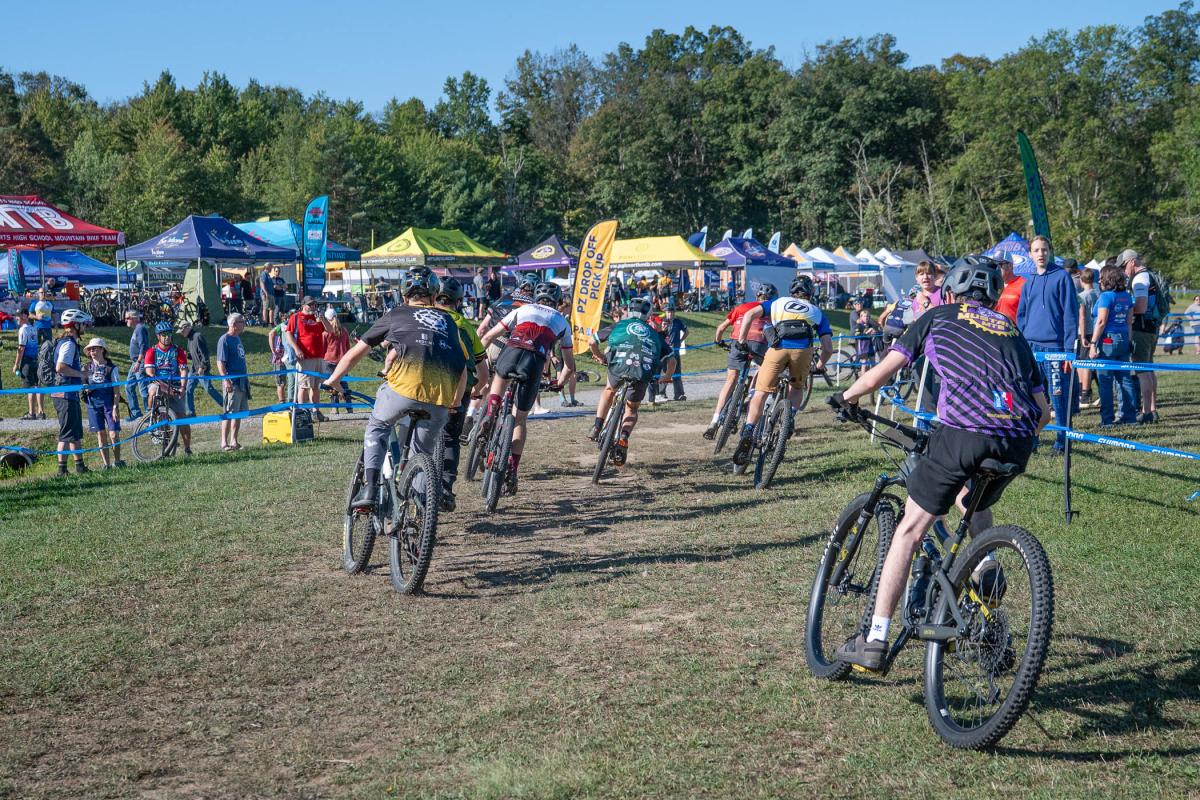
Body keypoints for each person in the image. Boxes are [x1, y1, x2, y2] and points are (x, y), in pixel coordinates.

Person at [832, 256, 1051, 670]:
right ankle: (986, 563)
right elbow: (1043, 413)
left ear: (949, 291)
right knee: (973, 497)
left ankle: (875, 639)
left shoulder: (937, 316)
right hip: (1017, 441)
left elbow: (881, 374)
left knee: (909, 531)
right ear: (991, 296)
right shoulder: (1012, 332)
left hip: (963, 431)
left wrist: (845, 398)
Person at [322, 271, 470, 510]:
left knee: (378, 426)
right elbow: (462, 368)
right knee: (423, 451)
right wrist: (454, 402)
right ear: (434, 296)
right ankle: (421, 513)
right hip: (440, 399)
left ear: (403, 295)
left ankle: (370, 488)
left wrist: (333, 380)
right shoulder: (449, 322)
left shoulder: (397, 314)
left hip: (402, 391)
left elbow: (357, 352)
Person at [478, 282, 576, 496]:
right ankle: (512, 468)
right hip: (534, 363)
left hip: (511, 352)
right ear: (558, 302)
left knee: (500, 379)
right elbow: (569, 365)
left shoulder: (522, 309)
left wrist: (475, 360)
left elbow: (487, 336)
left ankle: (491, 410)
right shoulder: (562, 322)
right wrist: (558, 384)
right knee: (520, 419)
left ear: (535, 297)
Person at [731, 276, 833, 466]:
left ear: (791, 291)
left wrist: (742, 340)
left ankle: (748, 431)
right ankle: (790, 417)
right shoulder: (817, 312)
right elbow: (828, 348)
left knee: (760, 393)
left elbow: (749, 315)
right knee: (796, 388)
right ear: (811, 293)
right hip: (802, 353)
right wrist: (819, 366)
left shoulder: (778, 302)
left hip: (778, 349)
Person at [587, 299, 675, 466]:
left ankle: (597, 426)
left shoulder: (619, 325)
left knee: (609, 390)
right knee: (632, 408)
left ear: (628, 311)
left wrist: (599, 355)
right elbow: (672, 361)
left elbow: (592, 341)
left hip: (619, 365)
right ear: (648, 316)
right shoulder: (654, 333)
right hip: (642, 370)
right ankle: (624, 437)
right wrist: (666, 377)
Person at [1016, 236, 1079, 452]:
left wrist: (1069, 351)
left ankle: (1063, 441)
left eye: (1044, 250)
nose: (1041, 254)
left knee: (1058, 398)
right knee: (1031, 398)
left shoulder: (1062, 277)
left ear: (1050, 251)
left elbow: (1071, 314)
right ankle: (1032, 439)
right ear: (1031, 254)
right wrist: (1020, 344)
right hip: (1032, 348)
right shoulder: (1028, 281)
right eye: (1036, 250)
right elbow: (1021, 316)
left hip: (1056, 349)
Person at [433, 277, 489, 511]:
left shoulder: (426, 319)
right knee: (450, 438)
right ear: (458, 302)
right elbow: (482, 369)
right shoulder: (465, 326)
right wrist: (477, 389)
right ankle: (446, 487)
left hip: (428, 385)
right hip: (460, 388)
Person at [704, 284, 774, 440]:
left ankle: (714, 421)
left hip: (737, 342)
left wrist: (719, 341)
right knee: (762, 369)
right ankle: (751, 394)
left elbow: (721, 328)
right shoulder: (771, 310)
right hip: (758, 343)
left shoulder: (741, 307)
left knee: (730, 381)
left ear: (757, 296)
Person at [1088, 266, 1138, 427]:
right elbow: (1129, 321)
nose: (1099, 281)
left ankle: (1107, 419)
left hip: (1107, 341)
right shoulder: (1127, 296)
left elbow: (1101, 322)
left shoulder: (1106, 297)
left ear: (1108, 279)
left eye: (1101, 278)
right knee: (1125, 379)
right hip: (1123, 339)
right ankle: (1129, 417)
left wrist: (1093, 343)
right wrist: (1129, 341)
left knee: (1105, 380)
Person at [1117, 249, 1163, 423]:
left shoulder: (1139, 280)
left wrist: (1125, 310)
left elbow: (1141, 307)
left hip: (1141, 329)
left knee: (1142, 371)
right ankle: (1152, 409)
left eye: (1124, 266)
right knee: (1149, 369)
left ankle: (1146, 412)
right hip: (1151, 328)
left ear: (1132, 262)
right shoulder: (1148, 275)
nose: (1123, 270)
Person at [144, 320, 193, 456]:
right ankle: (151, 418)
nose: (167, 337)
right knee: (153, 390)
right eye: (163, 334)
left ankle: (187, 448)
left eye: (169, 334)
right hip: (159, 383)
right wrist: (164, 385)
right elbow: (150, 373)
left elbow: (183, 370)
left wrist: (183, 387)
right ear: (158, 336)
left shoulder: (178, 351)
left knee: (182, 418)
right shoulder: (151, 351)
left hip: (175, 385)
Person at [81, 337, 125, 469]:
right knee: (101, 434)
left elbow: (116, 391)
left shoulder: (111, 368)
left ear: (102, 349)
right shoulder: (85, 368)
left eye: (95, 348)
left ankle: (117, 461)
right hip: (93, 405)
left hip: (109, 405)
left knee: (113, 434)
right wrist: (86, 388)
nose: (92, 351)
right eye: (90, 349)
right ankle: (106, 465)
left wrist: (116, 407)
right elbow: (83, 386)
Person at [284, 296, 331, 416]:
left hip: (319, 355)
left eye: (314, 304)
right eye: (310, 304)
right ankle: (302, 411)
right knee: (304, 385)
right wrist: (296, 348)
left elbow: (330, 331)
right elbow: (288, 334)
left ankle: (316, 410)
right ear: (303, 305)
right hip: (305, 356)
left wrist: (323, 319)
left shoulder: (317, 318)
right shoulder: (296, 317)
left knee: (316, 386)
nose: (312, 307)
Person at [217, 313, 249, 451]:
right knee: (229, 412)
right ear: (234, 324)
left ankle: (234, 441)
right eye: (242, 322)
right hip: (232, 381)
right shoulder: (225, 339)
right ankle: (224, 442)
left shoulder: (238, 339)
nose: (244, 324)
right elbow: (220, 362)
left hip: (242, 381)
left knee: (239, 413)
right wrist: (226, 380)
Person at [179, 319, 223, 417]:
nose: (181, 333)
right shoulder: (189, 340)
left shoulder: (197, 337)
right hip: (194, 369)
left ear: (187, 328)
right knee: (188, 389)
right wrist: (188, 355)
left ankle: (226, 406)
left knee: (209, 389)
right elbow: (195, 355)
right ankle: (190, 412)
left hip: (202, 369)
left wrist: (202, 367)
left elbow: (205, 354)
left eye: (182, 331)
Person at [649, 307, 688, 402]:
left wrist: (681, 340)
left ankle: (679, 394)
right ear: (665, 313)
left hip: (675, 351)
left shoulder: (678, 322)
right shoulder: (661, 322)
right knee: (665, 372)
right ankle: (661, 394)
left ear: (674, 313)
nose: (670, 314)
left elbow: (687, 331)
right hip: (665, 353)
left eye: (671, 312)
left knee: (677, 374)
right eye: (668, 312)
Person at [1076, 267, 1101, 406]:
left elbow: (1082, 317)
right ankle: (1092, 391)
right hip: (1097, 331)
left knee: (1083, 363)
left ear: (1081, 280)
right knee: (1094, 364)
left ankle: (1085, 394)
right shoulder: (1099, 294)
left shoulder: (1081, 296)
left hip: (1085, 332)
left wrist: (1083, 335)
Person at [13, 308, 44, 420]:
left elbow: (21, 348)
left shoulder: (23, 329)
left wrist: (16, 364)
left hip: (27, 361)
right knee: (37, 385)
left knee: (30, 386)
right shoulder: (33, 328)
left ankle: (32, 413)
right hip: (36, 360)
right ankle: (41, 411)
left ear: (25, 316)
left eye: (18, 315)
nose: (16, 318)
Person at [321, 307, 351, 412]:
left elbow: (323, 348)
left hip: (329, 361)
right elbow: (348, 347)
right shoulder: (344, 330)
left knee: (331, 384)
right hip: (342, 362)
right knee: (344, 384)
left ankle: (335, 407)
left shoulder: (326, 333)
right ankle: (349, 407)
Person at [123, 310, 150, 421]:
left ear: (134, 318)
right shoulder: (137, 329)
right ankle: (136, 412)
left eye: (127, 318)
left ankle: (149, 414)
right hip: (136, 362)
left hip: (140, 362)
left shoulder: (140, 329)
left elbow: (143, 346)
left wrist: (139, 362)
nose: (125, 320)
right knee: (128, 386)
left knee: (143, 389)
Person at [993, 258, 1024, 323]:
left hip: (1015, 331)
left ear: (1010, 266)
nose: (996, 269)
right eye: (993, 266)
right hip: (995, 331)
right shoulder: (992, 285)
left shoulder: (1023, 284)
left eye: (999, 265)